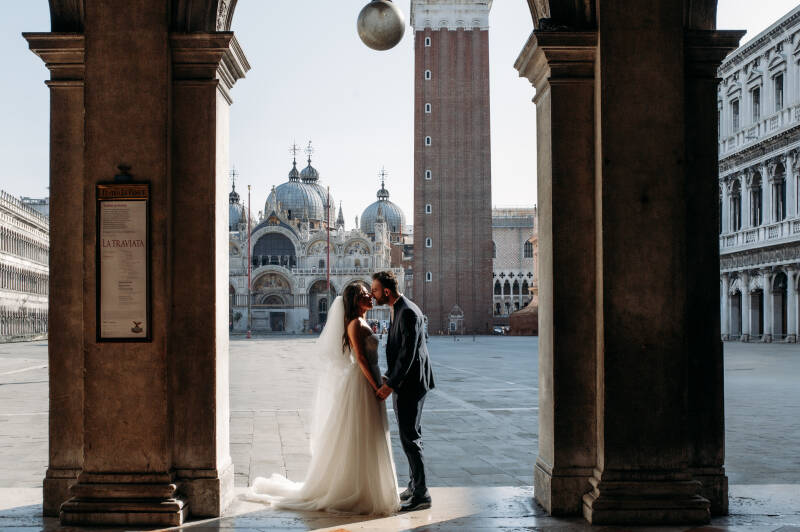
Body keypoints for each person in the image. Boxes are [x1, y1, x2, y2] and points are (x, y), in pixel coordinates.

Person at [247, 282, 400, 516]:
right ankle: (358, 489)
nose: (370, 296)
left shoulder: (361, 321)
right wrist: (377, 385)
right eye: (364, 295)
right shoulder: (356, 324)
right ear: (354, 301)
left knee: (370, 433)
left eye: (369, 293)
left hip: (367, 380)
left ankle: (366, 487)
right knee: (364, 434)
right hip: (363, 382)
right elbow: (360, 358)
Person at [371, 270, 435, 512]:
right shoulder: (401, 307)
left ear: (386, 291)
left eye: (375, 290)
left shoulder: (406, 311)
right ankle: (414, 485)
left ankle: (422, 494)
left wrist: (390, 384)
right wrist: (389, 375)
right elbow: (403, 351)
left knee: (411, 439)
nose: (373, 294)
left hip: (410, 385)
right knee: (411, 436)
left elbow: (408, 355)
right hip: (409, 382)